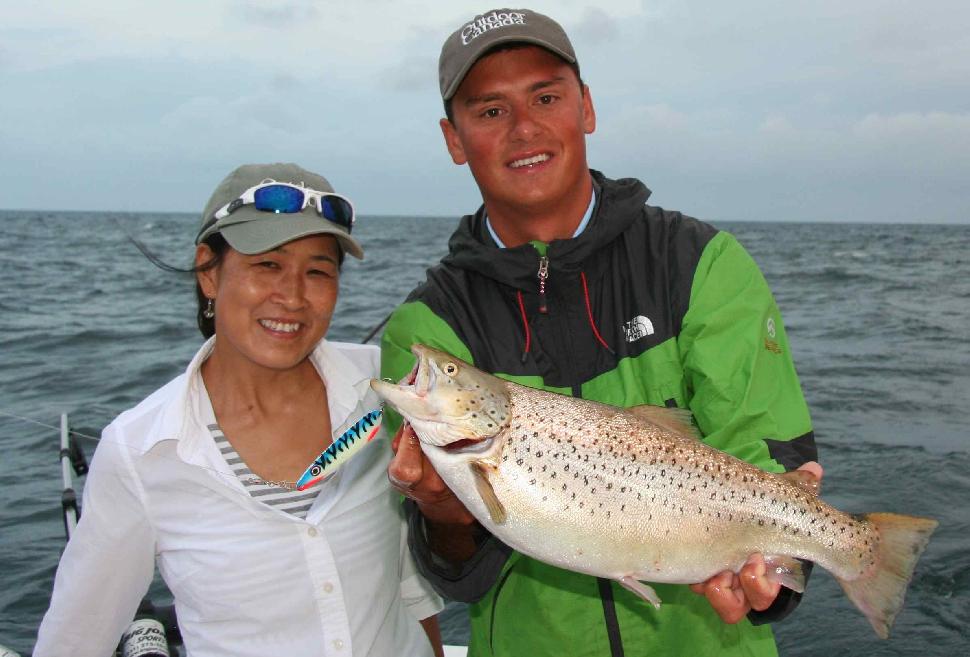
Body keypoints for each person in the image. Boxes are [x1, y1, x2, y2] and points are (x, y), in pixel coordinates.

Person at [381, 9, 821, 657]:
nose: (524, 128)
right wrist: (444, 512)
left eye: (546, 97)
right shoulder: (429, 327)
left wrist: (770, 582)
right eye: (490, 110)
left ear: (586, 107)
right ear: (454, 138)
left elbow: (771, 467)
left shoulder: (703, 264)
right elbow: (461, 576)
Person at [34, 163, 444, 657]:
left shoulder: (385, 393)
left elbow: (409, 589)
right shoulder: (142, 450)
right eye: (267, 265)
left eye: (318, 270)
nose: (292, 296)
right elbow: (75, 640)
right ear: (209, 271)